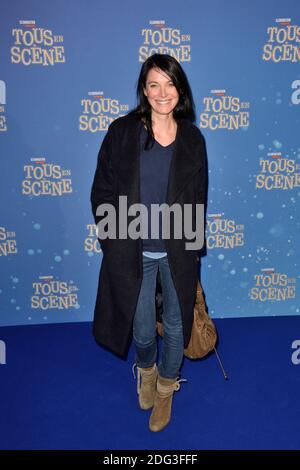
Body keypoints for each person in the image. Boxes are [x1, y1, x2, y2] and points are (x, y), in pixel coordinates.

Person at [90, 53, 208, 432]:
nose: (162, 92)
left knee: (176, 325)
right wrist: (113, 237)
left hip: (177, 249)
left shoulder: (192, 137)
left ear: (180, 89)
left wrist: (193, 247)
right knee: (141, 327)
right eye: (154, 84)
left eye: (170, 83)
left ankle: (166, 388)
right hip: (133, 249)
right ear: (144, 88)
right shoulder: (122, 131)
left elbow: (198, 197)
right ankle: (146, 371)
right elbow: (102, 188)